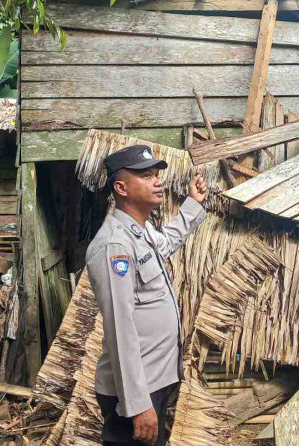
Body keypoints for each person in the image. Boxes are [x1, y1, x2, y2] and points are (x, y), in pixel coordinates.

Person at [86, 145, 208, 446]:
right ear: (121, 188)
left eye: (156, 174)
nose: (157, 181)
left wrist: (193, 204)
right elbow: (120, 329)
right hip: (135, 390)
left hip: (155, 379)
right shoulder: (114, 246)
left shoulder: (142, 232)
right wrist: (138, 404)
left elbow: (167, 241)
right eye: (145, 175)